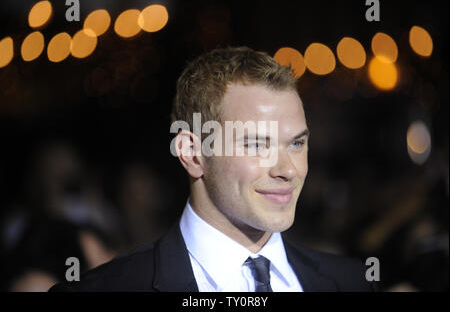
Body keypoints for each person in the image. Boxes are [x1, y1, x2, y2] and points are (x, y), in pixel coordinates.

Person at [49, 46, 376, 292]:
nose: (288, 170)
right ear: (192, 153)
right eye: (257, 145)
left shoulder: (352, 282)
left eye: (296, 143)